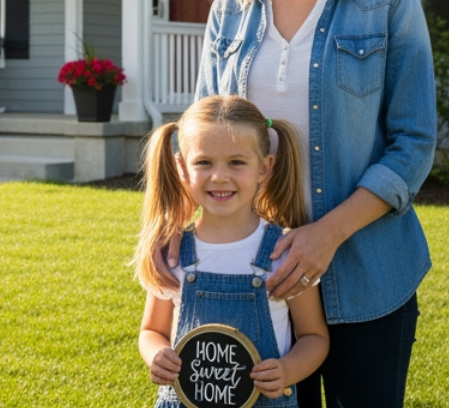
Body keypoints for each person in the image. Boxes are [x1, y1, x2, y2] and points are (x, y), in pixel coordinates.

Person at [194, 0, 435, 408]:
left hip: (368, 275)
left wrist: (326, 235)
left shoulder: (389, 4)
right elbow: (199, 139)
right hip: (257, 280)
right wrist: (173, 232)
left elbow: (413, 142)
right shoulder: (231, 10)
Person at [134, 96, 328, 408]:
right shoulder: (172, 253)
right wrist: (156, 354)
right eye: (204, 162)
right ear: (182, 167)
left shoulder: (284, 253)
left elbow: (314, 338)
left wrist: (288, 370)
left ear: (264, 168)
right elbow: (152, 330)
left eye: (236, 162)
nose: (220, 176)